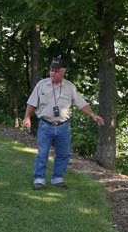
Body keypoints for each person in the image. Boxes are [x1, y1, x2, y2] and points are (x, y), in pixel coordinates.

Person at [23, 56, 104, 190]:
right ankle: (39, 179)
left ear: (63, 72)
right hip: (45, 125)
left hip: (63, 127)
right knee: (42, 153)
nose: (53, 73)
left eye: (56, 71)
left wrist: (93, 115)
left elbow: (81, 103)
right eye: (51, 70)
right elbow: (32, 103)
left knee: (64, 154)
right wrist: (27, 118)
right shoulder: (42, 85)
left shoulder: (70, 87)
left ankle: (57, 179)